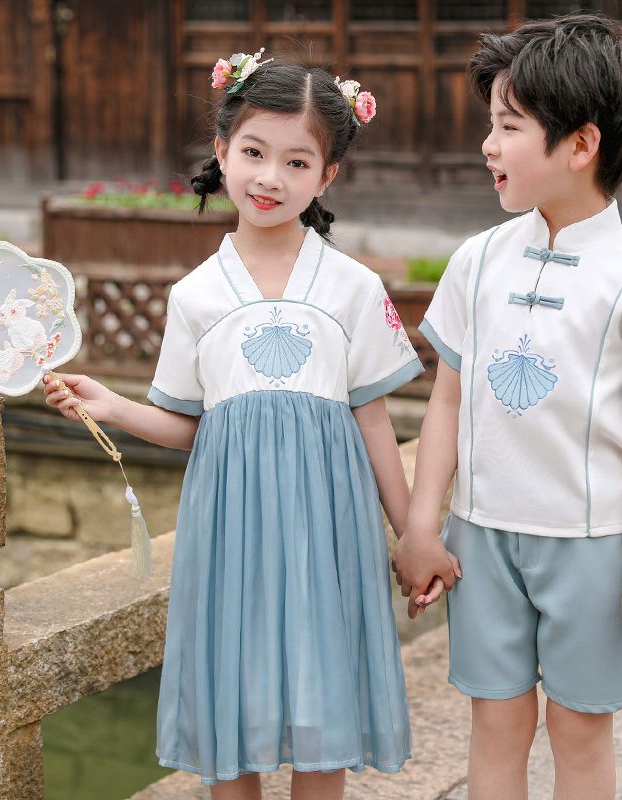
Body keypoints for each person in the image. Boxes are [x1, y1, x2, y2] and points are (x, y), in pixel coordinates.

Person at [44, 52, 422, 800]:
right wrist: (110, 406)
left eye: (296, 160)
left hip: (331, 533)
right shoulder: (196, 296)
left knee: (323, 716)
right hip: (229, 536)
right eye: (253, 152)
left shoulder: (352, 288)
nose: (269, 178)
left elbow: (374, 422)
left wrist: (411, 536)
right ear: (221, 152)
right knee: (235, 715)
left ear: (328, 175)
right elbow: (197, 427)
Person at [392, 14, 622, 800]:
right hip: (484, 541)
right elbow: (446, 403)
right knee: (495, 726)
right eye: (490, 125)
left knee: (578, 731)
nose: (488, 146)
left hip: (592, 551)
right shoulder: (478, 259)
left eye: (509, 126)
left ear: (580, 144)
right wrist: (423, 527)